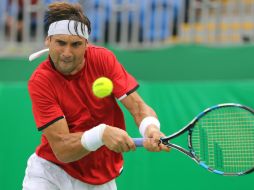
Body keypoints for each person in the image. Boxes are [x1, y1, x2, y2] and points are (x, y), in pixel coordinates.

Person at [22, 2, 169, 190]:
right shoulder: (41, 81)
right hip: (50, 173)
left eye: (75, 44)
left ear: (86, 44)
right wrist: (101, 134)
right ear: (48, 40)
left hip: (100, 178)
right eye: (60, 43)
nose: (67, 53)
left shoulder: (103, 59)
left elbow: (138, 107)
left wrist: (151, 129)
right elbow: (62, 148)